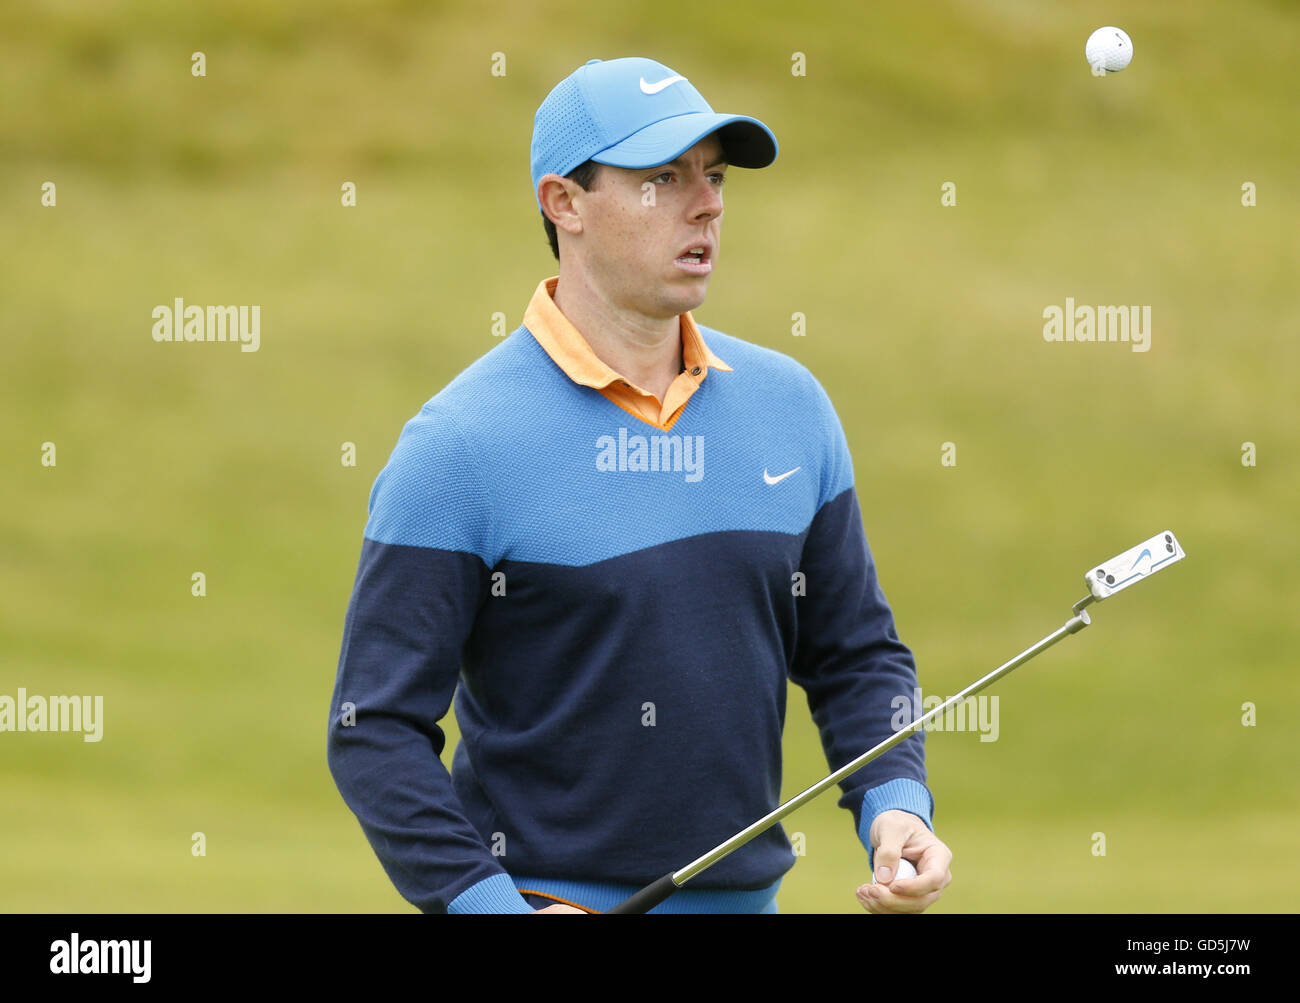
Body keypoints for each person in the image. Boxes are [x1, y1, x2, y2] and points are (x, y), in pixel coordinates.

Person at [327, 56, 952, 914]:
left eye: (715, 175)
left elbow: (856, 655)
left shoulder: (791, 407)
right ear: (565, 203)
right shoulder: (461, 444)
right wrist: (488, 907)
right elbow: (376, 731)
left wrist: (895, 806)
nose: (707, 204)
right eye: (663, 178)